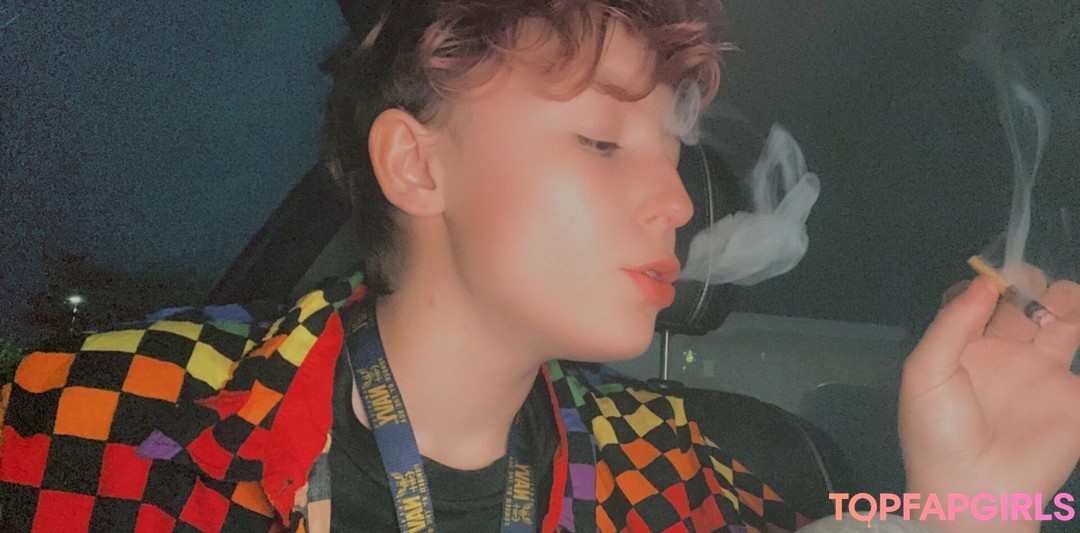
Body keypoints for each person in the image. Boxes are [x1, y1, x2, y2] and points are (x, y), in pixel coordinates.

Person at [2, 1, 1079, 532]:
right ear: (417, 165)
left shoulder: (679, 468)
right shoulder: (98, 417)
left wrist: (963, 510)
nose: (677, 201)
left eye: (674, 152)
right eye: (603, 141)